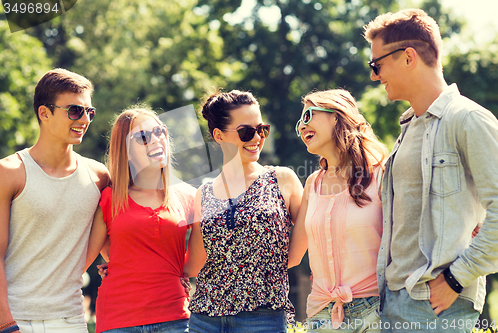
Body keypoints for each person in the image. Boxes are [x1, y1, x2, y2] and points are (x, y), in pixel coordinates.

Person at [363, 9, 498, 332]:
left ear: (408, 57)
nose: (373, 76)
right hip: (395, 301)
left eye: (376, 64)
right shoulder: (409, 127)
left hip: (436, 308)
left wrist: (456, 278)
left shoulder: (467, 119)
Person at [0, 68, 110, 333]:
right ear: (44, 113)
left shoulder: (99, 176)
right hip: (15, 318)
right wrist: (4, 323)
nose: (84, 119)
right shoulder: (8, 172)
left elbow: (113, 240)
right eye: (75, 110)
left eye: (89, 112)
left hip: (70, 320)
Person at [183, 89, 303, 333]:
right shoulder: (203, 193)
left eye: (262, 129)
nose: (257, 138)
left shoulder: (282, 179)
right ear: (219, 135)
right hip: (204, 319)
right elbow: (194, 264)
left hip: (263, 317)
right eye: (247, 131)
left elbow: (297, 254)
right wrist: (131, 264)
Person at [85, 106, 195, 333]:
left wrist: (177, 271)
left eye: (160, 131)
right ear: (125, 150)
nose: (155, 140)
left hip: (175, 317)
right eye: (143, 137)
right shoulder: (110, 198)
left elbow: (205, 254)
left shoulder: (189, 196)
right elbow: (93, 256)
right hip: (118, 320)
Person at [288, 89, 389, 332]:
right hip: (321, 314)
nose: (302, 127)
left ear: (336, 116)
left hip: (375, 312)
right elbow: (291, 255)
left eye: (308, 115)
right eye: (299, 122)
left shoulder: (383, 174)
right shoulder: (313, 183)